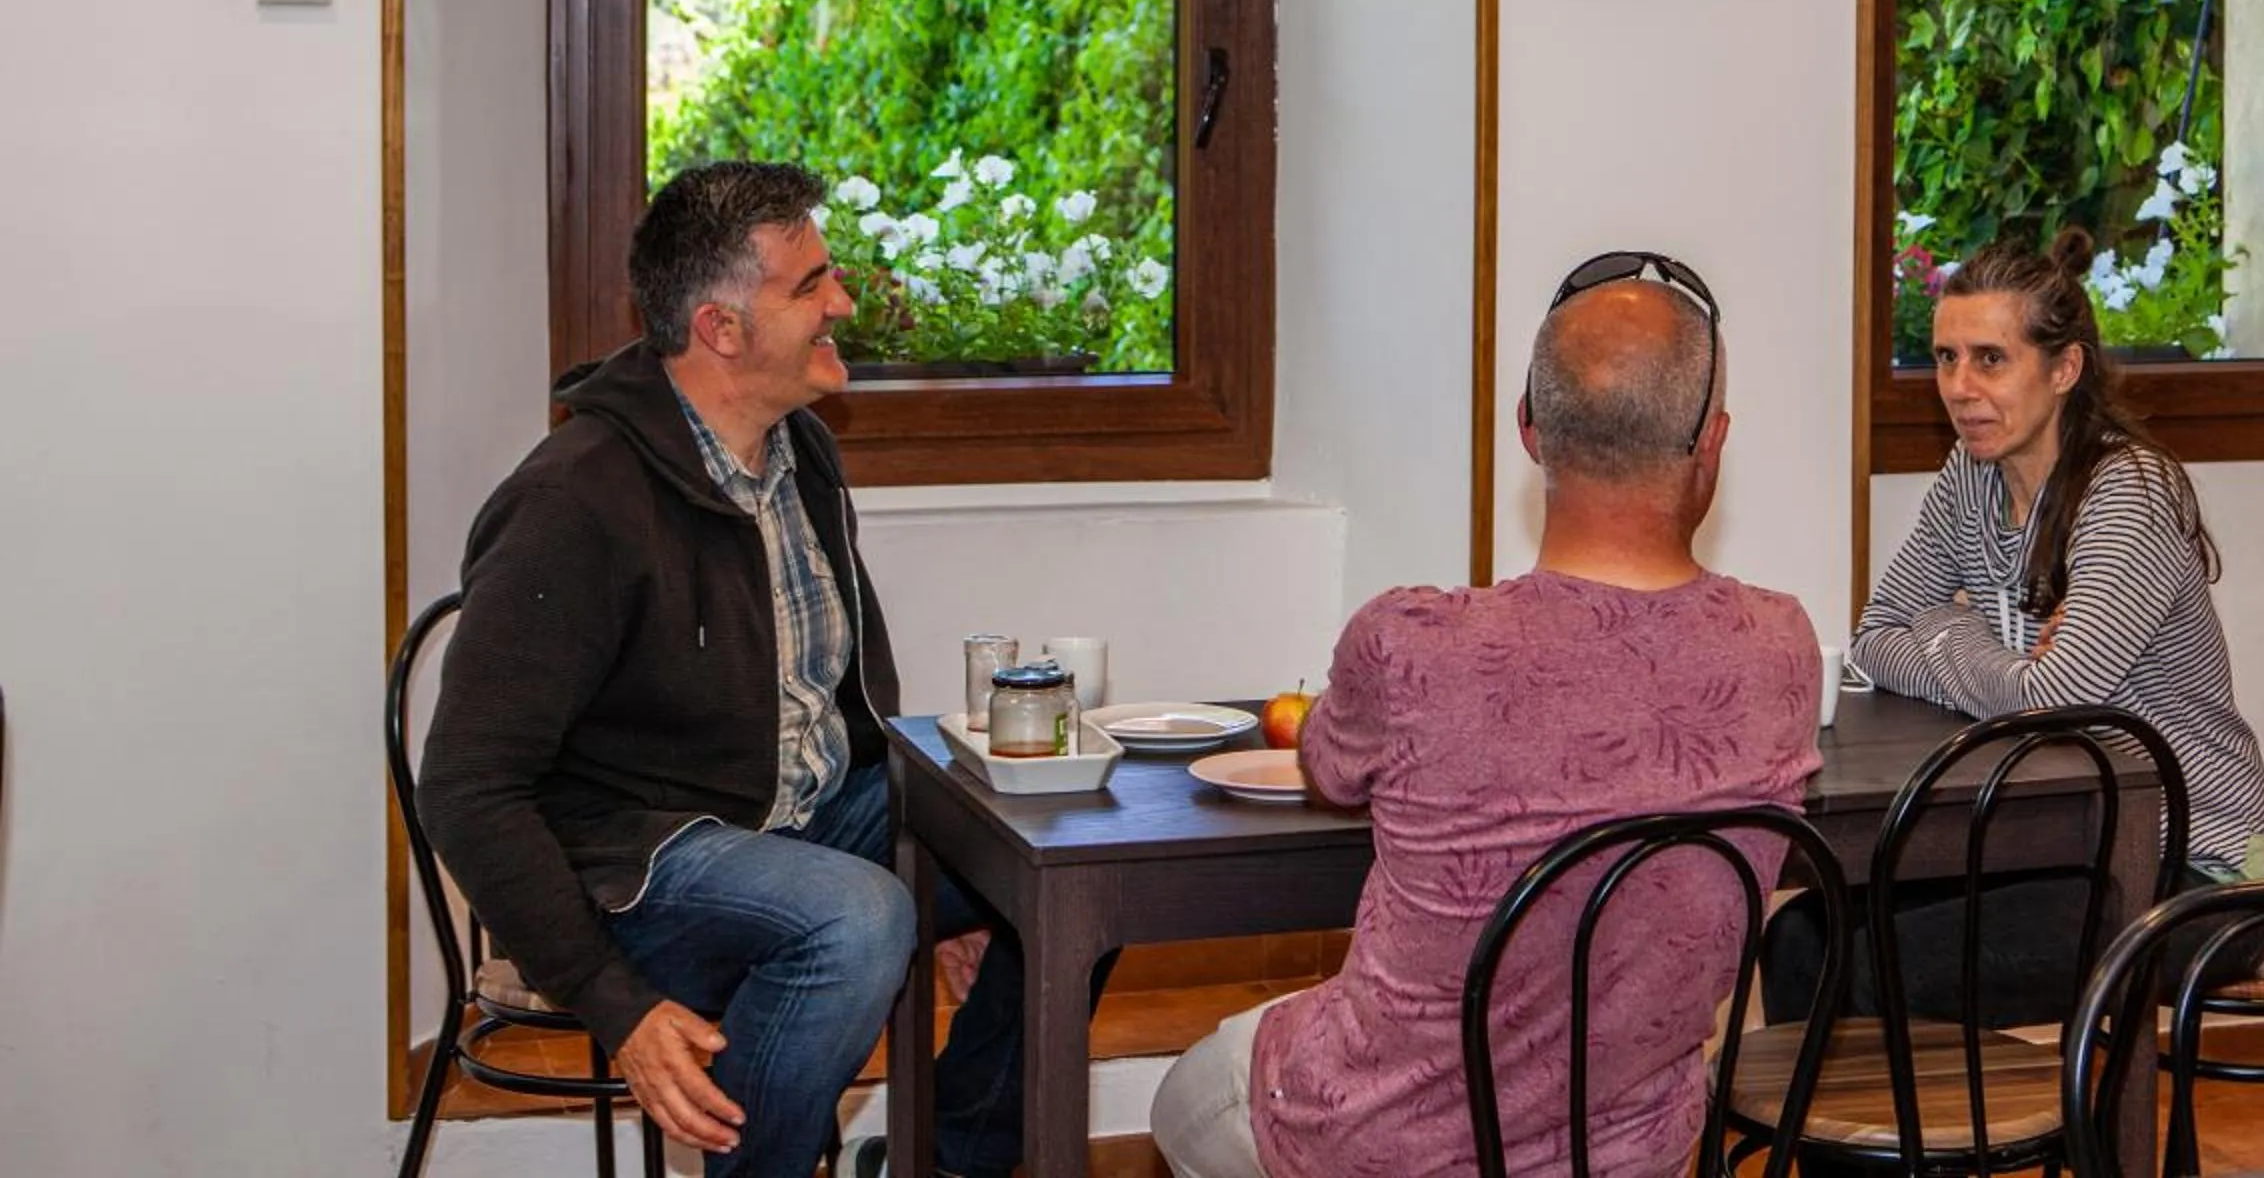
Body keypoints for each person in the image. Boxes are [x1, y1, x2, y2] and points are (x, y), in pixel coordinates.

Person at [417, 161, 1069, 1178]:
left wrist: (963, 865)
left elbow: (853, 707)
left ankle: (946, 1163)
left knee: (1049, 860)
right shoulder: (571, 501)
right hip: (638, 870)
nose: (842, 302)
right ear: (722, 329)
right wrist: (614, 1001)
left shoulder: (798, 451)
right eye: (810, 286)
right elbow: (465, 784)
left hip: (798, 819)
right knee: (859, 915)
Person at [1148, 251, 1822, 1178]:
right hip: (1632, 1152)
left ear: (1529, 430)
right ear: (1713, 441)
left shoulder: (1412, 642)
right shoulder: (1779, 646)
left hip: (1390, 1143)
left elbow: (1331, 767)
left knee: (1187, 1092)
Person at [1769, 229, 2264, 1031]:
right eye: (1945, 359)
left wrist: (1948, 636)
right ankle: (1891, 1152)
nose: (1960, 388)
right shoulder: (1972, 474)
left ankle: (1968, 1149)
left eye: (1990, 359)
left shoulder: (2129, 493)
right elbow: (1876, 636)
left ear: (2064, 368)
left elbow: (2056, 698)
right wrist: (1974, 644)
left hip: (2196, 873)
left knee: (1862, 971)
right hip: (2061, 841)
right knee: (1803, 934)